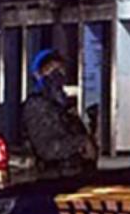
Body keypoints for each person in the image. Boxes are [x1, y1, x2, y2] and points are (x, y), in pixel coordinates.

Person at [21, 48, 98, 180]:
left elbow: (78, 134)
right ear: (39, 75)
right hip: (53, 179)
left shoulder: (63, 105)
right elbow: (47, 149)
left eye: (60, 70)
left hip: (75, 176)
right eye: (51, 69)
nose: (58, 75)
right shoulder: (37, 104)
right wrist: (81, 143)